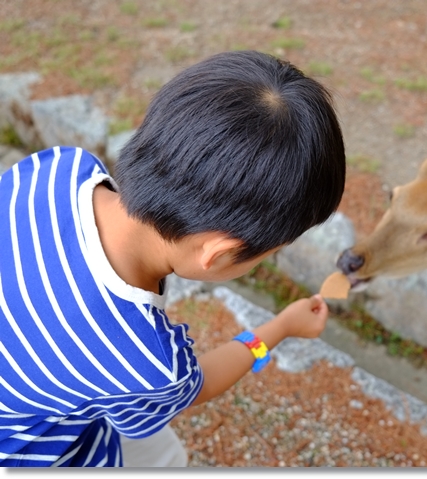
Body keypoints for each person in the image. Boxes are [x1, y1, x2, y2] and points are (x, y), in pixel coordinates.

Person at [0, 50, 346, 467]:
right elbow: (197, 387)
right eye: (270, 253)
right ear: (218, 254)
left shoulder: (56, 169)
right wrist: (280, 327)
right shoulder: (147, 362)